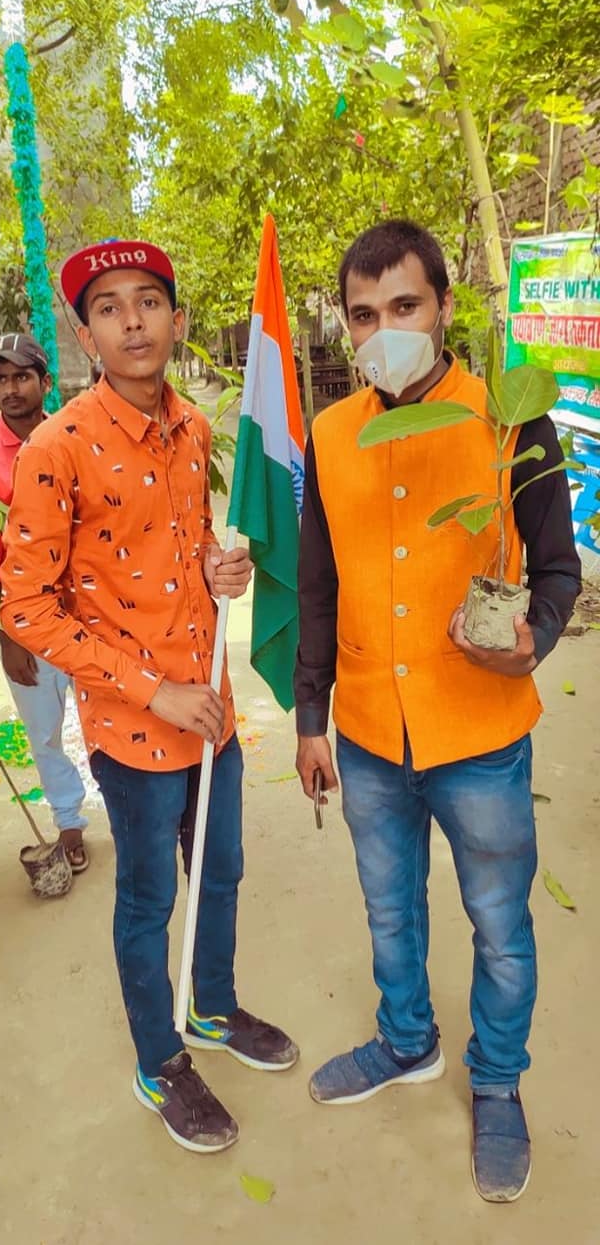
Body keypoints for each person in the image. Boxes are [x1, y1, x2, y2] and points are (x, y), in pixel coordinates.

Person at [294, 219, 581, 1203]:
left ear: (444, 307)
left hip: (480, 733)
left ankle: (496, 1079)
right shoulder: (332, 433)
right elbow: (319, 585)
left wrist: (531, 635)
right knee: (388, 908)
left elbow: (557, 569)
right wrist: (307, 715)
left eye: (404, 307)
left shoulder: (506, 419)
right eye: (363, 314)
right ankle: (405, 1037)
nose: (384, 331)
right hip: (371, 731)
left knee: (498, 925)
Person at [0, 239, 298, 1155]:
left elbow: (185, 554)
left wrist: (223, 568)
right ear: (88, 336)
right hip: (137, 730)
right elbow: (27, 604)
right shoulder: (57, 446)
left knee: (224, 869)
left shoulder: (196, 427)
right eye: (109, 307)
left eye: (148, 301)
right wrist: (149, 691)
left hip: (212, 709)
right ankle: (158, 1058)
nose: (132, 319)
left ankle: (211, 1006)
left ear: (175, 318)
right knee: (147, 899)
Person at [0, 334, 89, 872]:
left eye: (21, 377)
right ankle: (68, 823)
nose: (10, 389)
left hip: (94, 612)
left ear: (45, 382)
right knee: (44, 733)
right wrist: (7, 637)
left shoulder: (78, 435)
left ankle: (136, 815)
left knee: (112, 715)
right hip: (28, 624)